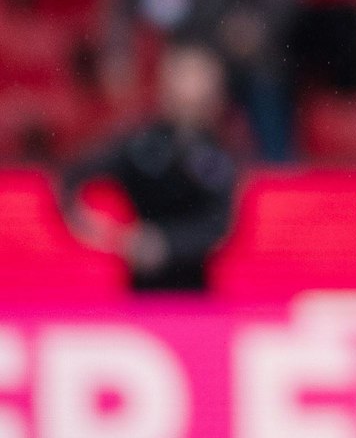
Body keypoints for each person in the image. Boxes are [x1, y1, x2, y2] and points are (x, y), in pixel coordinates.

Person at [60, 42, 238, 292]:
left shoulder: (223, 151)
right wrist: (98, 230)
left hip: (196, 290)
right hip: (141, 290)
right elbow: (76, 173)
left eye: (198, 78)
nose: (189, 89)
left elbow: (219, 225)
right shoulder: (140, 143)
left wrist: (165, 243)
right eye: (182, 76)